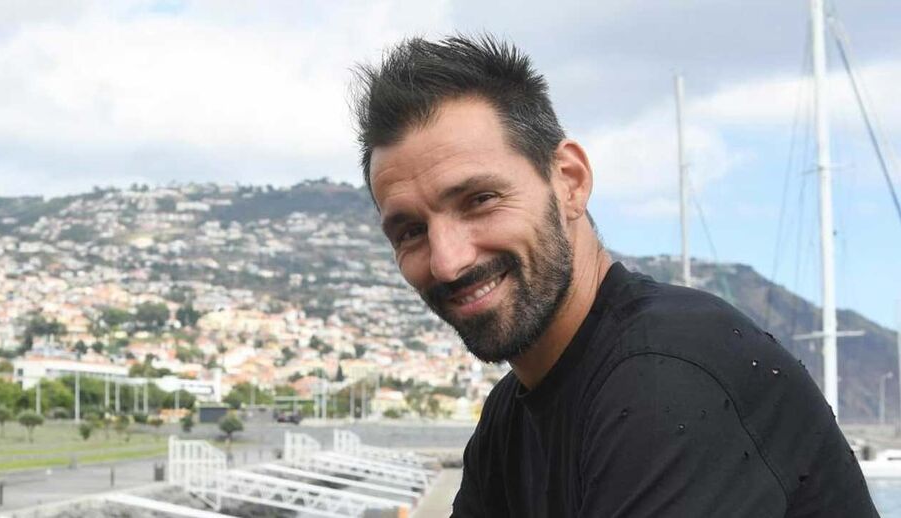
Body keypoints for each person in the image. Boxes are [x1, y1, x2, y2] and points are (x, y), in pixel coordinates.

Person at [351, 35, 877, 517]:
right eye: (411, 231)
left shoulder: (666, 376)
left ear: (570, 181)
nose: (447, 261)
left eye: (479, 199)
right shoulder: (509, 420)